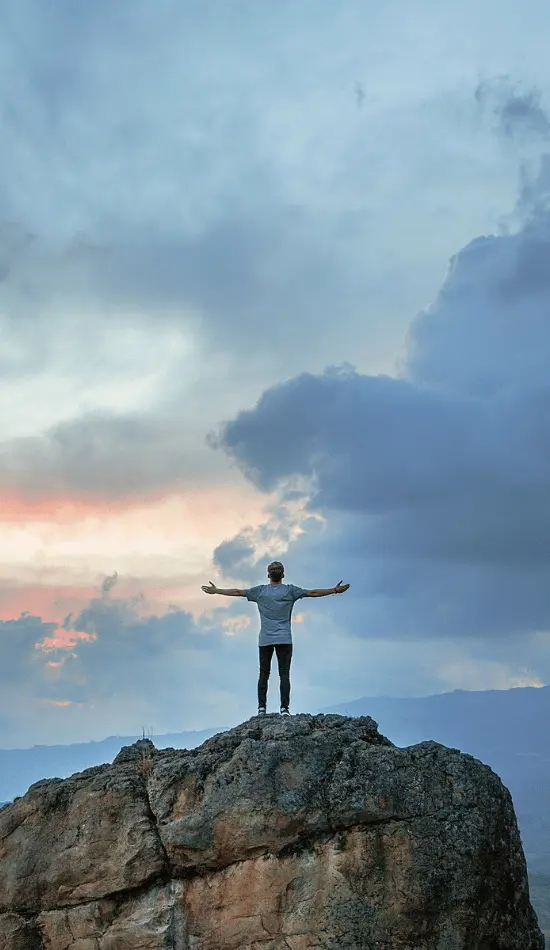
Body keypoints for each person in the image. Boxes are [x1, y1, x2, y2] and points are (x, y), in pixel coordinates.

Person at [201, 561, 350, 717]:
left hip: (265, 639)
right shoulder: (291, 591)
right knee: (284, 674)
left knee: (263, 674)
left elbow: (238, 592)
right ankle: (284, 709)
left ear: (268, 575)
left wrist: (216, 591)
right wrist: (334, 590)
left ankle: (261, 709)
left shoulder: (260, 592)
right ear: (283, 574)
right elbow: (313, 593)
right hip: (285, 638)